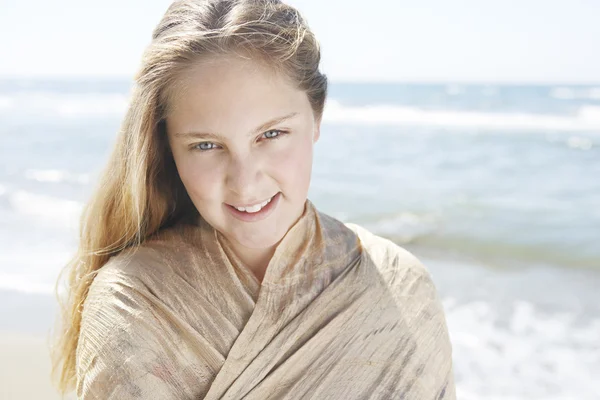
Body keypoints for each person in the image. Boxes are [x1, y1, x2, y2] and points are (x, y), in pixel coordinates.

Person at [50, 0, 456, 398]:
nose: (244, 184)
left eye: (271, 134)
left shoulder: (402, 287)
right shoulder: (133, 299)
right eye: (207, 145)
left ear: (316, 117)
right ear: (168, 146)